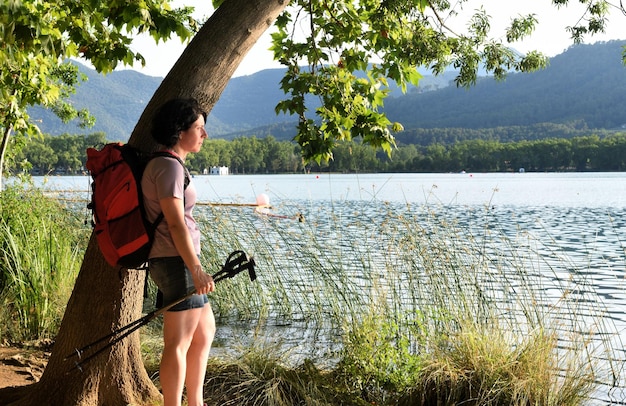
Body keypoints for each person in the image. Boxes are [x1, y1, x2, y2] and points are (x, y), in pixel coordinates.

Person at [141, 98, 215, 406]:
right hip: (176, 262)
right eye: (198, 128)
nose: (204, 134)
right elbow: (175, 224)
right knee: (178, 342)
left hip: (178, 260)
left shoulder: (170, 164)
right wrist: (196, 269)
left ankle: (195, 401)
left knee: (204, 331)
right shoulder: (168, 167)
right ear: (179, 131)